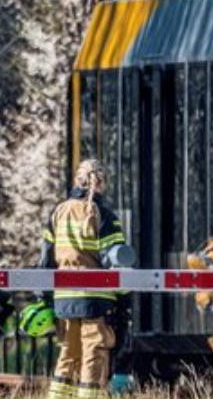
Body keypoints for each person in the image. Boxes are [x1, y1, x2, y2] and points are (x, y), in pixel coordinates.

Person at [40, 159, 129, 399]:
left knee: (68, 352)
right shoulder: (105, 216)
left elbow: (46, 260)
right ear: (102, 183)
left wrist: (44, 297)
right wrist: (124, 301)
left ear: (76, 179)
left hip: (64, 299)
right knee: (94, 353)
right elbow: (116, 263)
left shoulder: (58, 212)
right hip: (96, 300)